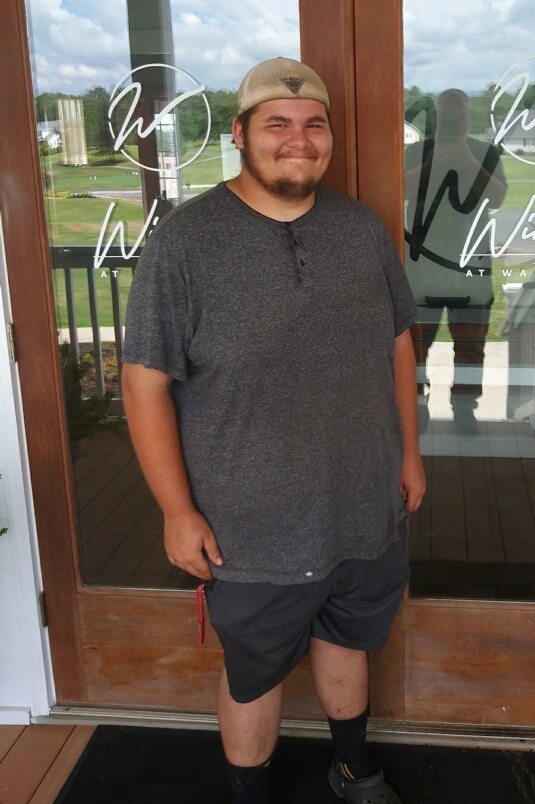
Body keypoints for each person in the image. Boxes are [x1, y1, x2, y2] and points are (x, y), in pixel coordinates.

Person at [121, 57, 426, 804]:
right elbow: (144, 383)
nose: (299, 139)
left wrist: (410, 454)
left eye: (314, 124)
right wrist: (176, 510)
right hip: (248, 522)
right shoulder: (184, 243)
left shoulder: (360, 228)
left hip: (363, 499)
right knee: (254, 671)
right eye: (277, 124)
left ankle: (352, 768)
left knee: (348, 639)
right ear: (239, 134)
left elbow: (397, 344)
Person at [404, 88, 507, 434]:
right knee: (416, 347)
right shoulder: (416, 151)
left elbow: (498, 197)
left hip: (471, 264)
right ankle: (417, 406)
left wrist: (463, 157)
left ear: (468, 118)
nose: (451, 121)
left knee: (471, 347)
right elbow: (397, 189)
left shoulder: (485, 153)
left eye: (457, 116)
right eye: (445, 116)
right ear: (436, 117)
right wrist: (434, 163)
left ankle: (465, 409)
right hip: (422, 266)